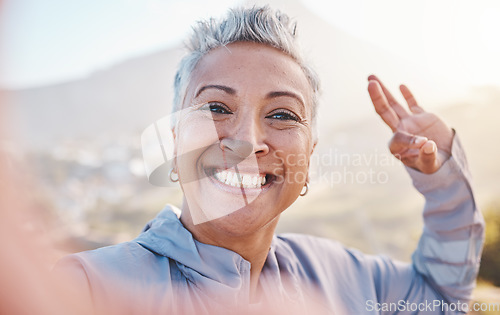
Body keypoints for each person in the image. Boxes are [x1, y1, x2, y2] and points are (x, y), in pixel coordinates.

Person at [54, 5, 485, 314]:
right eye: (216, 108)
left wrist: (443, 178)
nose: (247, 140)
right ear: (173, 141)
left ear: (309, 156)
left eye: (282, 115)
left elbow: (439, 299)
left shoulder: (338, 278)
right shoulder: (86, 289)